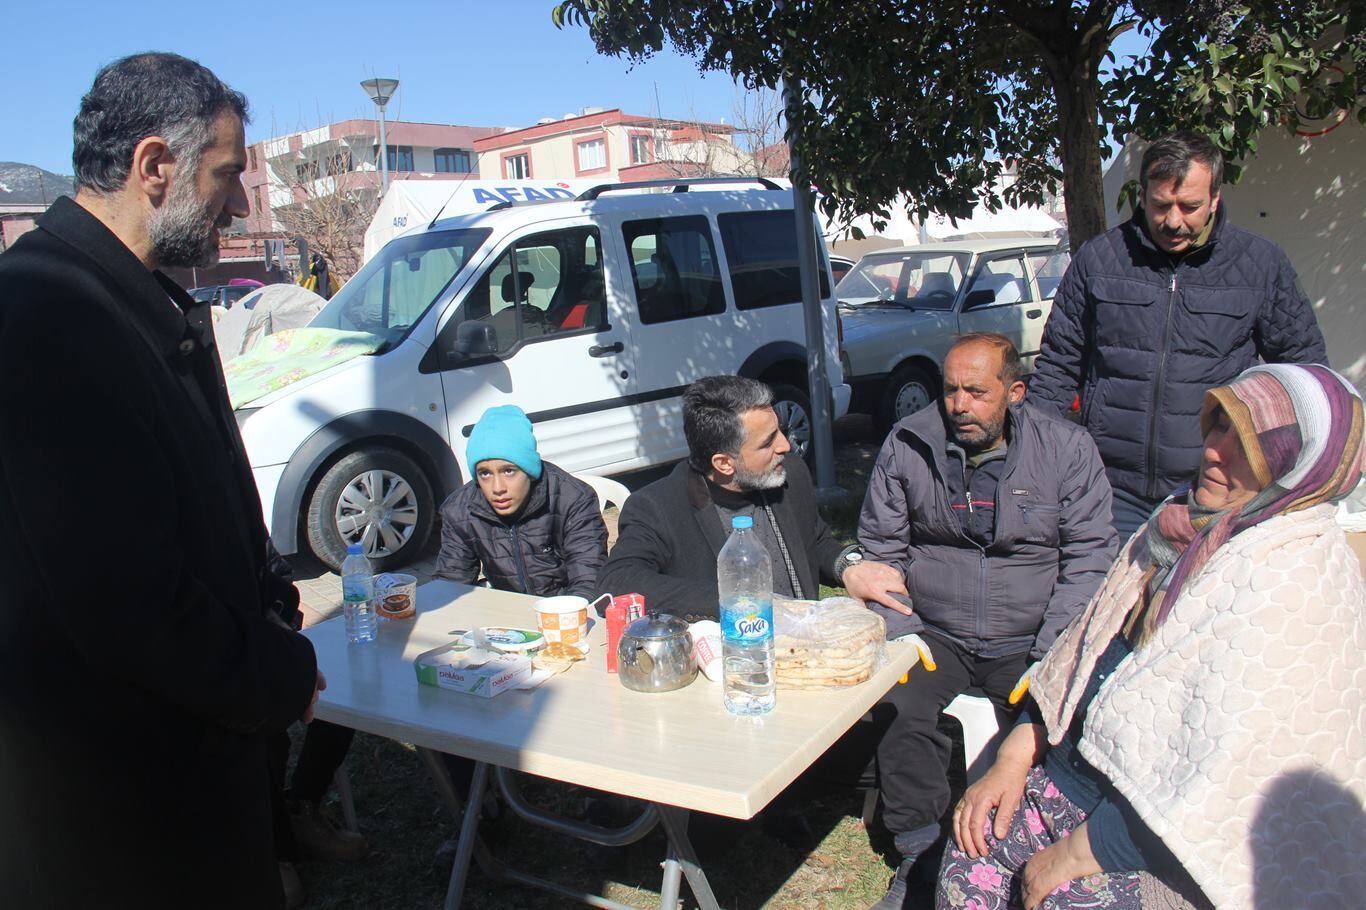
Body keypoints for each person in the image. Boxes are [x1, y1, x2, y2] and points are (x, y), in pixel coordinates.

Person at [0, 53, 319, 908]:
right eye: (227, 174)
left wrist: (269, 600)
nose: (241, 203)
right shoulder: (50, 319)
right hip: (124, 827)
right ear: (155, 166)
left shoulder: (126, 300)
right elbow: (125, 603)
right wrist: (279, 673)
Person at [938, 362, 1366, 910]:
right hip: (1067, 783)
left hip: (1149, 839)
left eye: (1248, 446)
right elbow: (1085, 654)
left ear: (1296, 468)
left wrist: (1073, 855)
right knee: (969, 856)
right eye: (1219, 426)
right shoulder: (1177, 526)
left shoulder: (1292, 581)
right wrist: (1013, 757)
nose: (1214, 451)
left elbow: (1223, 782)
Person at [861, 334, 1118, 910]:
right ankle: (919, 852)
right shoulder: (908, 442)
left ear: (1014, 392)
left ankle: (1024, 845)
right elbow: (881, 549)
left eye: (977, 392)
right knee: (898, 703)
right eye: (950, 390)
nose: (959, 405)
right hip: (934, 629)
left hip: (1029, 634)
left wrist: (1052, 653)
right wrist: (900, 630)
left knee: (1056, 725)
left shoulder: (1066, 448)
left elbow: (1090, 559)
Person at [1028, 131, 1328, 538]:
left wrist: (1303, 470)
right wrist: (1027, 460)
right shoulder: (1098, 260)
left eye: (1189, 207)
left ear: (1215, 199)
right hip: (1110, 489)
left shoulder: (1260, 264)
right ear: (1141, 196)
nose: (1173, 221)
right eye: (1160, 205)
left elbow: (1305, 375)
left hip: (1216, 489)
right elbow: (1058, 367)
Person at [597, 375, 905, 619]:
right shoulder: (658, 507)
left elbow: (815, 539)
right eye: (768, 442)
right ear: (724, 464)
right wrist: (737, 602)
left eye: (779, 430)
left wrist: (848, 567)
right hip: (732, 658)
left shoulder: (790, 475)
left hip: (806, 648)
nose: (785, 445)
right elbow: (617, 582)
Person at [433, 404, 608, 596]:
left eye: (509, 471)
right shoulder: (459, 510)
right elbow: (450, 585)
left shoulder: (572, 498)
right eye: (485, 474)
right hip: (504, 609)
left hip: (564, 608)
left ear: (529, 471)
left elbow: (589, 581)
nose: (497, 488)